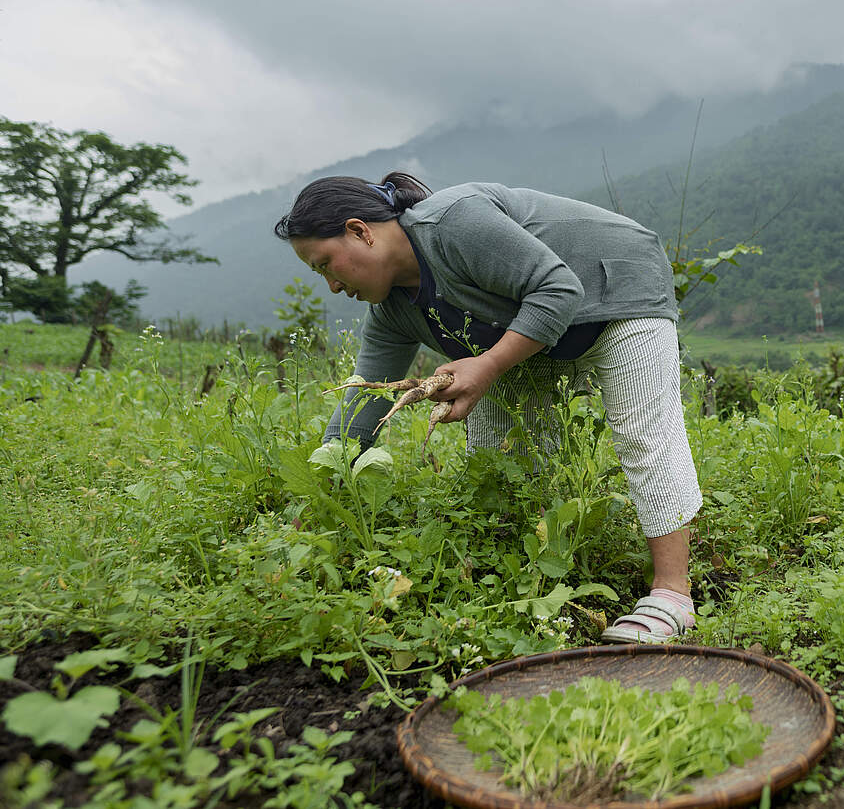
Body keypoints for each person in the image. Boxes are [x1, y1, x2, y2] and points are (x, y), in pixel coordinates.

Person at [273, 172, 702, 643]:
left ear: (360, 231)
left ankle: (672, 596)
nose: (331, 286)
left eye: (325, 265)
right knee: (502, 451)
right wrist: (317, 491)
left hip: (617, 285)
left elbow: (559, 288)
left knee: (644, 433)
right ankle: (537, 577)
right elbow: (363, 402)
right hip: (537, 327)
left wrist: (488, 364)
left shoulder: (453, 223)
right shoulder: (393, 311)